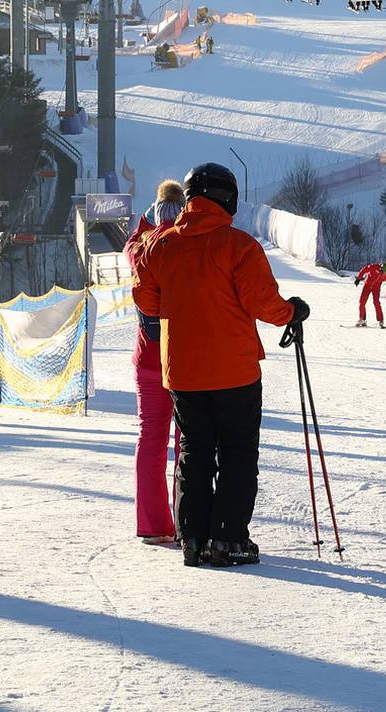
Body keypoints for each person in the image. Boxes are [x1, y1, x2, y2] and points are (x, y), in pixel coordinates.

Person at [133, 162, 307, 568]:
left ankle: (192, 537)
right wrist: (292, 313)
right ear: (227, 199)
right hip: (235, 372)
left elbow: (146, 301)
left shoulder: (160, 245)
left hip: (182, 372)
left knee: (194, 452)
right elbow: (264, 305)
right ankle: (227, 539)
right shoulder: (240, 246)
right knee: (237, 454)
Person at [125, 180, 187, 545]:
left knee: (150, 438)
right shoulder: (186, 246)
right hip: (182, 355)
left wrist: (147, 221)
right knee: (187, 440)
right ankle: (185, 519)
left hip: (147, 356)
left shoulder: (139, 247)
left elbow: (134, 238)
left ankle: (151, 524)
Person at [354, 260, 386, 327]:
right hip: (368, 285)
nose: (382, 274)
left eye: (384, 273)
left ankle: (380, 320)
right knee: (362, 302)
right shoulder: (373, 267)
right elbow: (364, 269)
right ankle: (362, 319)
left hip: (376, 288)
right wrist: (358, 278)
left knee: (376, 302)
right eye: (381, 272)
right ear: (380, 267)